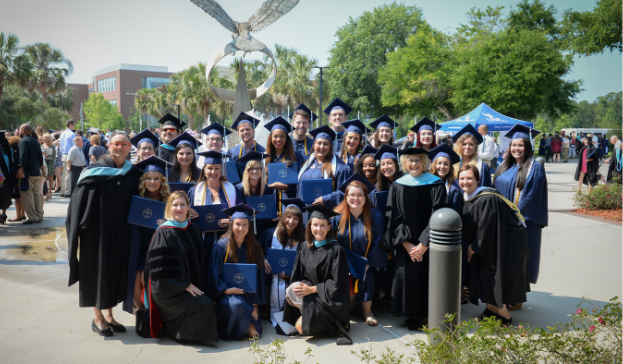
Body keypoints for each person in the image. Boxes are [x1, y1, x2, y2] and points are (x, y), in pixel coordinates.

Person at [66, 131, 142, 337]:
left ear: (129, 147)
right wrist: (82, 225)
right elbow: (78, 200)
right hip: (96, 233)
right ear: (109, 146)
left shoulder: (132, 173)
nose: (119, 147)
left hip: (121, 232)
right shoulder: (95, 171)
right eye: (116, 144)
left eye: (124, 144)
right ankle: (98, 318)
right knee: (97, 273)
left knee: (113, 273)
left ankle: (109, 316)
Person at [380, 147, 447, 331]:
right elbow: (393, 217)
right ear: (405, 163)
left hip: (430, 244)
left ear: (425, 162)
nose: (414, 164)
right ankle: (412, 314)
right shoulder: (398, 185)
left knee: (428, 277)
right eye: (410, 160)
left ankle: (426, 315)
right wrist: (408, 244)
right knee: (408, 276)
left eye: (418, 160)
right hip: (407, 245)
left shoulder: (436, 185)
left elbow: (439, 214)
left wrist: (424, 243)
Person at [458, 164, 530, 326]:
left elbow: (486, 228)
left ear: (477, 180)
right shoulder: (470, 197)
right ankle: (490, 310)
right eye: (462, 178)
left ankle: (504, 315)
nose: (465, 182)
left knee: (495, 275)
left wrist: (473, 248)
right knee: (484, 274)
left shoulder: (487, 198)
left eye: (469, 178)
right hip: (492, 240)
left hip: (506, 243)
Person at [145, 191, 219, 342]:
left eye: (182, 205)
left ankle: (184, 332)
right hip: (169, 291)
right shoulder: (164, 233)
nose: (179, 208)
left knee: (212, 302)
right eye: (175, 205)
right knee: (205, 305)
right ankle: (176, 331)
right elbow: (163, 268)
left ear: (188, 208)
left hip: (186, 286)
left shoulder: (193, 229)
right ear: (169, 208)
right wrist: (185, 284)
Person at [493, 125, 548, 305]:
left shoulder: (535, 168)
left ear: (528, 146)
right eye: (514, 145)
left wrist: (514, 219)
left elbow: (530, 198)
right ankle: (508, 295)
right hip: (504, 223)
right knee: (507, 261)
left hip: (520, 224)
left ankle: (516, 300)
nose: (516, 148)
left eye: (521, 145)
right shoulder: (506, 165)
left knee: (519, 261)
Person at [282, 204, 351, 345]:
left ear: (329, 227)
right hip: (312, 296)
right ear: (309, 226)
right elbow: (298, 276)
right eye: (315, 225)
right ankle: (310, 314)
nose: (318, 229)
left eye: (322, 225)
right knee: (291, 289)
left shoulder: (336, 250)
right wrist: (298, 290)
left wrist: (312, 290)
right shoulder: (304, 247)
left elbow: (338, 285)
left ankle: (336, 324)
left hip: (330, 303)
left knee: (300, 327)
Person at [123, 156, 172, 335]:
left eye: (156, 179)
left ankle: (153, 312)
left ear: (162, 181)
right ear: (144, 180)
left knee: (146, 277)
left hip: (159, 249)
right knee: (135, 278)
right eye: (149, 178)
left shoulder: (168, 201)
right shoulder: (136, 198)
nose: (152, 182)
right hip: (139, 246)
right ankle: (141, 311)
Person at [332, 174, 386, 327]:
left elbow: (379, 240)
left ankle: (367, 312)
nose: (356, 199)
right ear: (346, 196)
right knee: (345, 281)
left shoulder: (375, 215)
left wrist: (368, 263)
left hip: (367, 260)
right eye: (352, 195)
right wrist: (342, 264)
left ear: (365, 197)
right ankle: (346, 310)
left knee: (366, 277)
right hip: (344, 261)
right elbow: (333, 242)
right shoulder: (337, 216)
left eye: (360, 195)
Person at [209, 204, 268, 340]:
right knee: (236, 305)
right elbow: (213, 275)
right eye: (237, 224)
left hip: (248, 298)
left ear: (249, 226)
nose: (241, 228)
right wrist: (225, 290)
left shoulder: (255, 247)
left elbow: (259, 278)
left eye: (244, 225)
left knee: (256, 333)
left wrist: (255, 305)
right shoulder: (221, 246)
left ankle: (242, 326)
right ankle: (231, 330)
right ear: (231, 224)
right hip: (227, 297)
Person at [427, 144, 470, 303]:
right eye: (439, 163)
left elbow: (460, 215)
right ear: (434, 164)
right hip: (431, 234)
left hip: (450, 236)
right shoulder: (426, 184)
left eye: (446, 164)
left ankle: (452, 296)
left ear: (450, 167)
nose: (442, 166)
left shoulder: (455, 189)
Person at [257, 198, 306, 334]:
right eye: (288, 217)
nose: (291, 221)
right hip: (270, 276)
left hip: (290, 278)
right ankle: (267, 306)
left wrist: (291, 273)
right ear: (283, 217)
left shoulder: (302, 239)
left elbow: (305, 261)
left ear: (300, 221)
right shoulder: (269, 233)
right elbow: (256, 250)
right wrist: (263, 259)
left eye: (295, 218)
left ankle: (289, 312)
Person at [188, 150, 240, 258]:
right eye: (210, 168)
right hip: (201, 243)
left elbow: (240, 214)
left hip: (226, 242)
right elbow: (185, 216)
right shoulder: (194, 191)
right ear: (204, 170)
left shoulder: (232, 190)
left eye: (217, 168)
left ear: (222, 170)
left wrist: (232, 221)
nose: (213, 172)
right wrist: (188, 215)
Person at [298, 125, 352, 207]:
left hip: (325, 213)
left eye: (326, 144)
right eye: (319, 143)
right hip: (303, 212)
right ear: (314, 145)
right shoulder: (306, 163)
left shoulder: (340, 168)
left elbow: (345, 192)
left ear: (331, 147)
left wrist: (326, 199)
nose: (322, 147)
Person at [263, 116, 304, 212]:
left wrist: (285, 187)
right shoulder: (265, 158)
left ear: (287, 138)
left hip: (290, 203)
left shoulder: (296, 157)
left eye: (282, 136)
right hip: (271, 203)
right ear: (271, 138)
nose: (278, 139)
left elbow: (301, 184)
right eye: (275, 136)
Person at [235, 151, 275, 238]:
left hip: (264, 229)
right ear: (246, 171)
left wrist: (274, 216)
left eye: (258, 168)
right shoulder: (239, 189)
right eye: (251, 168)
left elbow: (269, 209)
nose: (255, 171)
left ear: (262, 170)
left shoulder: (266, 188)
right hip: (246, 229)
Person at [17, 124, 44, 224]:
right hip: (36, 172)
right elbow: (40, 158)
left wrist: (20, 170)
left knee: (27, 194)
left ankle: (33, 217)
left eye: (20, 129)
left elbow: (23, 157)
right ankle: (39, 215)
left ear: (23, 131)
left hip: (27, 173)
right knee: (36, 194)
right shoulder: (35, 141)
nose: (19, 131)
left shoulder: (23, 141)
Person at [0, 130, 15, 224]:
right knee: (5, 195)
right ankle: (3, 214)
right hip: (7, 176)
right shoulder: (8, 149)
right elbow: (12, 161)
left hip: (1, 177)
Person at [8, 136, 25, 222]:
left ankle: (18, 215)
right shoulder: (20, 152)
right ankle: (22, 214)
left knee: (17, 197)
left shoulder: (12, 153)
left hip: (15, 176)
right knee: (22, 196)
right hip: (22, 175)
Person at [59, 119, 76, 197]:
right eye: (73, 124)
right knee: (68, 173)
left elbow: (61, 145)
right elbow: (74, 146)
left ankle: (63, 191)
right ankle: (67, 191)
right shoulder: (72, 134)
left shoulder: (62, 134)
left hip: (63, 154)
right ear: (70, 125)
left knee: (64, 173)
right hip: (70, 154)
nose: (74, 126)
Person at [41, 133, 56, 201]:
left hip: (50, 163)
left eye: (45, 138)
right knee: (44, 177)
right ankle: (46, 191)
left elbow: (54, 156)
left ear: (49, 139)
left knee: (50, 177)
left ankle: (50, 191)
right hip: (44, 163)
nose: (44, 139)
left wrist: (46, 155)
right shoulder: (42, 146)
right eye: (43, 137)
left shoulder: (52, 147)